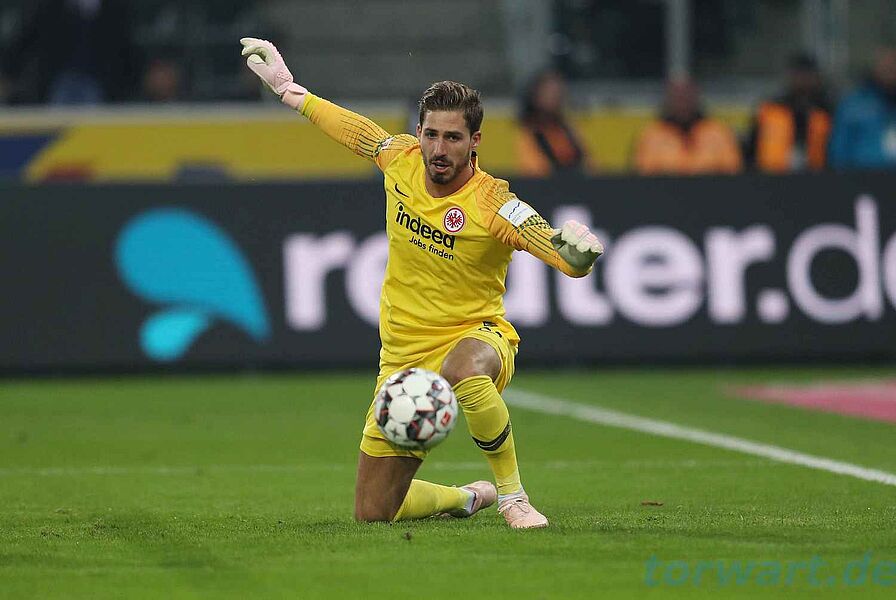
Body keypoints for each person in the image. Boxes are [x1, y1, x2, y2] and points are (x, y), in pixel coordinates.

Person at [240, 38, 604, 529]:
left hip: (477, 337)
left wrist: (575, 257)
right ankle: (466, 498)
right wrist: (291, 92)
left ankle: (513, 496)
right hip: (402, 359)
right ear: (418, 133)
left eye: (453, 137)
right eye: (431, 134)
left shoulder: (494, 202)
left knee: (464, 368)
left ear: (475, 141)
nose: (439, 148)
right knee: (374, 512)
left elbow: (551, 246)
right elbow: (357, 132)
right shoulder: (401, 159)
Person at [0, 0, 137, 105]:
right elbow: (26, 41)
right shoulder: (47, 6)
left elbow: (126, 48)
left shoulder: (115, 7)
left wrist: (138, 78)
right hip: (56, 83)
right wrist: (6, 74)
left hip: (99, 85)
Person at [634, 76, 742, 175]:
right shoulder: (652, 136)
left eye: (686, 96)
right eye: (677, 97)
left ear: (696, 97)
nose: (683, 102)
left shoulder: (719, 133)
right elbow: (643, 174)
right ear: (668, 99)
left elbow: (733, 170)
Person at [744, 54, 832, 172]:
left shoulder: (826, 110)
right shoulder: (771, 108)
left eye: (807, 75)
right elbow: (752, 146)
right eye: (799, 74)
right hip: (772, 175)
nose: (803, 80)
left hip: (816, 175)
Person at [828, 47, 896, 170]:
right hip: (863, 176)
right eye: (886, 66)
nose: (891, 71)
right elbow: (839, 152)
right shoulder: (853, 105)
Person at [517, 69, 591, 176]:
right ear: (536, 97)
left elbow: (589, 165)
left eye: (558, 92)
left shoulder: (569, 129)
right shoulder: (529, 134)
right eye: (549, 92)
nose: (555, 97)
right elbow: (535, 172)